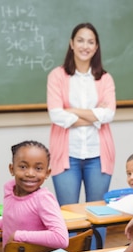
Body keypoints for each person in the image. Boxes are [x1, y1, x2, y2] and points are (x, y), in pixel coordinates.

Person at [47, 22, 116, 206]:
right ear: (71, 43)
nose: (85, 46)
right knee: (70, 216)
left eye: (90, 42)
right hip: (67, 155)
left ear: (96, 47)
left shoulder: (105, 78)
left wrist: (71, 112)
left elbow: (108, 114)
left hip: (98, 156)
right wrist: (95, 117)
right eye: (80, 40)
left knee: (99, 214)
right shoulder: (57, 76)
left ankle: (96, 238)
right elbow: (56, 115)